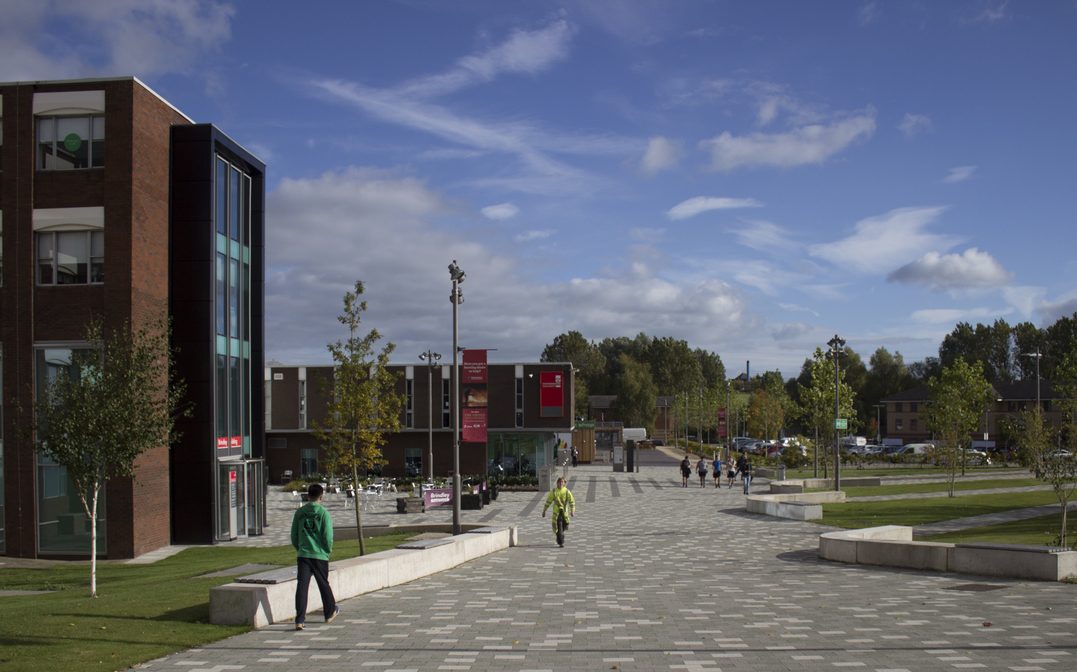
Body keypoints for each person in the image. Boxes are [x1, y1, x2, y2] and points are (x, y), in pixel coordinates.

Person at [291, 483, 340, 630]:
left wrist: (299, 548)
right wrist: (327, 550)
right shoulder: (324, 513)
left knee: (302, 586)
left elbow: (294, 534)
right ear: (321, 496)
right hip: (319, 554)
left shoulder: (300, 512)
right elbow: (328, 535)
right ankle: (329, 612)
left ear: (308, 495)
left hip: (304, 554)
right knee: (323, 584)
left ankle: (299, 619)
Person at [542, 476, 576, 547]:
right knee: (559, 528)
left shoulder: (567, 491)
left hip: (565, 513)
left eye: (562, 482)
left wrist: (572, 511)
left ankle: (559, 536)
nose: (560, 483)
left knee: (565, 525)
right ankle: (561, 542)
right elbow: (548, 501)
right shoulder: (554, 492)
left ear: (564, 483)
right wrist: (544, 510)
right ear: (557, 483)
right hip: (557, 514)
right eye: (559, 482)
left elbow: (572, 502)